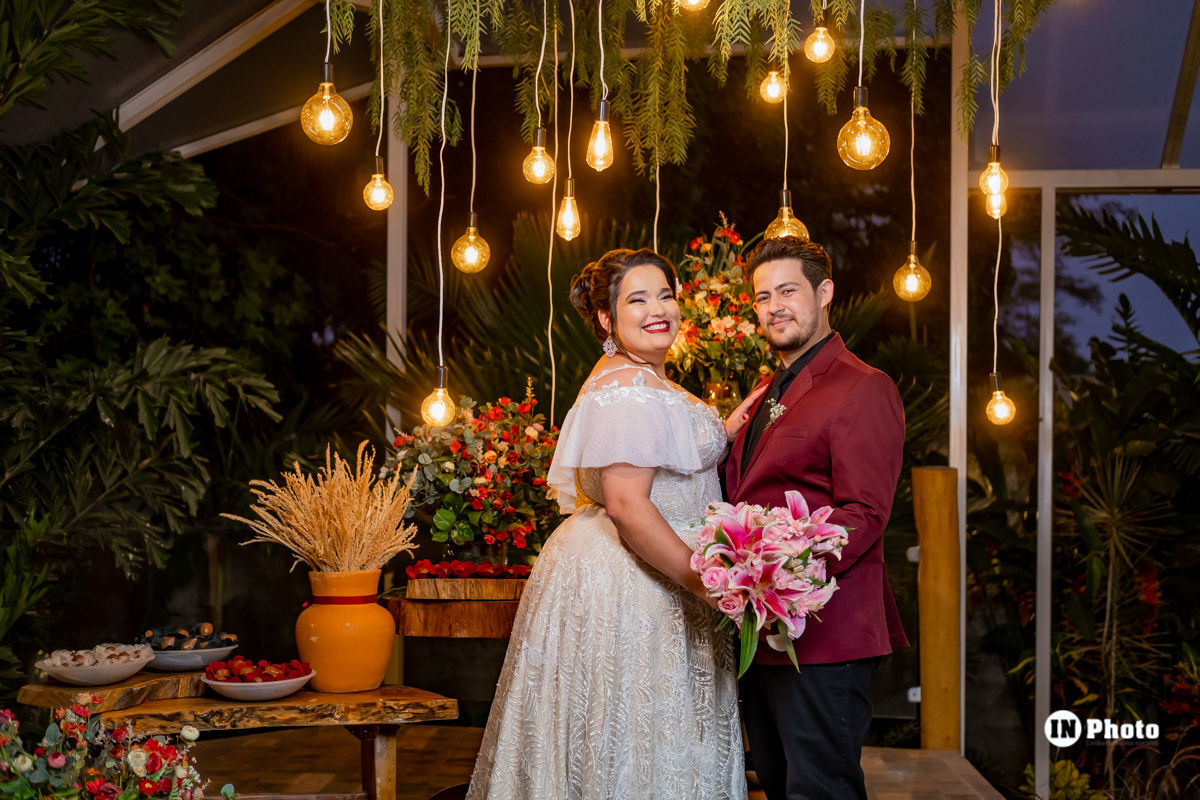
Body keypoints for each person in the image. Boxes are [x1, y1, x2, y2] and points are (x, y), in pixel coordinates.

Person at [466, 247, 765, 800]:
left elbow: (659, 457)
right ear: (607, 318)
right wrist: (708, 585)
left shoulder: (636, 377)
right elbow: (628, 505)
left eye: (666, 295)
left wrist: (718, 430)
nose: (659, 309)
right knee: (637, 742)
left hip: (637, 570)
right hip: (640, 582)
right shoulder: (628, 388)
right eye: (638, 298)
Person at [723, 236, 908, 800]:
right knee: (778, 787)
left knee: (820, 791)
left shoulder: (863, 386)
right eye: (761, 297)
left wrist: (784, 572)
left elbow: (865, 513)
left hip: (826, 635)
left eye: (788, 291)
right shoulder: (763, 392)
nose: (774, 305)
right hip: (760, 631)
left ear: (824, 293)